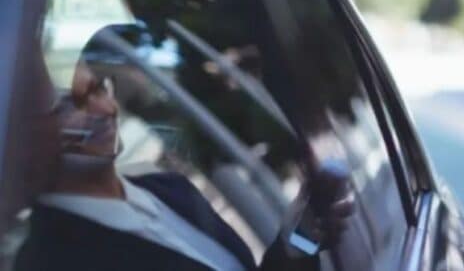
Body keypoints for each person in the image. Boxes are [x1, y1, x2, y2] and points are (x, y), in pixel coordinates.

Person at [13, 29, 352, 271]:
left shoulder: (170, 189)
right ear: (22, 136)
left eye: (98, 88)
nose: (103, 109)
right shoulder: (47, 261)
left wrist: (301, 242)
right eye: (71, 106)